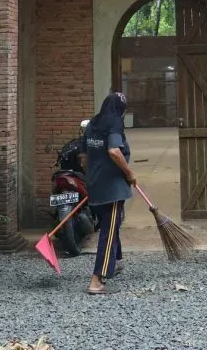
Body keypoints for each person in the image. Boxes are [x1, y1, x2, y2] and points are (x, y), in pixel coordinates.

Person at [81, 91, 137, 295]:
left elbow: (84, 158)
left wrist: (92, 180)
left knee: (111, 224)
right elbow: (114, 151)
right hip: (113, 189)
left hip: (96, 186)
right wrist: (129, 173)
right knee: (109, 232)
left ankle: (118, 261)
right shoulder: (114, 124)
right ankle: (97, 280)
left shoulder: (92, 125)